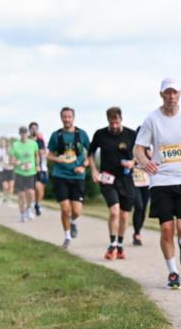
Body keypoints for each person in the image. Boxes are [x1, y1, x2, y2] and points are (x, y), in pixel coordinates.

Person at [134, 78, 181, 289]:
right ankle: (173, 272)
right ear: (161, 95)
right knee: (166, 228)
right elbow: (138, 148)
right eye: (167, 93)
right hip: (161, 181)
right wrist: (145, 162)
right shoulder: (152, 120)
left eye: (174, 93)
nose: (171, 97)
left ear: (180, 94)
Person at [90, 107, 138, 260]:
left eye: (116, 122)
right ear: (108, 121)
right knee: (114, 211)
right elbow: (90, 153)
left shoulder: (131, 134)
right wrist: (94, 171)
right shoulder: (100, 134)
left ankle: (121, 245)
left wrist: (133, 162)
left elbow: (141, 152)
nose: (114, 126)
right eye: (112, 123)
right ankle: (112, 245)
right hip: (107, 178)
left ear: (121, 119)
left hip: (126, 179)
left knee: (124, 215)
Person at [47, 108, 91, 248]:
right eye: (64, 117)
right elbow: (49, 154)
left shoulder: (82, 134)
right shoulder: (56, 135)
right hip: (60, 175)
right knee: (65, 209)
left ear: (73, 118)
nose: (67, 119)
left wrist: (83, 167)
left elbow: (90, 154)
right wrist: (57, 159)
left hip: (78, 176)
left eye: (69, 117)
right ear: (61, 118)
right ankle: (67, 237)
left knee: (76, 211)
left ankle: (72, 222)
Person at [11, 126, 39, 222]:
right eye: (21, 133)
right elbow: (11, 159)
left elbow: (36, 155)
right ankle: (22, 213)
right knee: (21, 195)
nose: (23, 135)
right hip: (19, 172)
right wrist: (16, 162)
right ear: (19, 134)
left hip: (31, 172)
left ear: (28, 134)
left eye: (25, 133)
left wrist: (37, 165)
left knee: (31, 192)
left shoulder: (33, 144)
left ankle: (28, 209)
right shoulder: (15, 145)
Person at [130, 130, 151, 247]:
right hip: (133, 181)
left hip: (147, 182)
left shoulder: (150, 147)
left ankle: (137, 232)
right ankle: (137, 233)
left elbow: (155, 161)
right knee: (138, 206)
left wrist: (148, 153)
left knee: (143, 209)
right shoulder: (131, 148)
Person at [30, 121, 48, 217]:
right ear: (30, 130)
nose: (34, 130)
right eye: (32, 128)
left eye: (35, 128)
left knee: (41, 188)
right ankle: (31, 204)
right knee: (36, 186)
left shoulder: (40, 140)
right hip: (31, 169)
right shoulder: (27, 141)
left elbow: (44, 152)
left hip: (43, 167)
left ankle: (38, 204)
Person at [0, 137, 14, 203]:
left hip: (11, 171)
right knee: (5, 186)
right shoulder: (2, 154)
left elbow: (15, 162)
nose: (8, 149)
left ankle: (8, 198)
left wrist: (12, 162)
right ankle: (5, 196)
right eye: (7, 148)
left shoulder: (13, 155)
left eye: (9, 148)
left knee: (11, 187)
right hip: (4, 170)